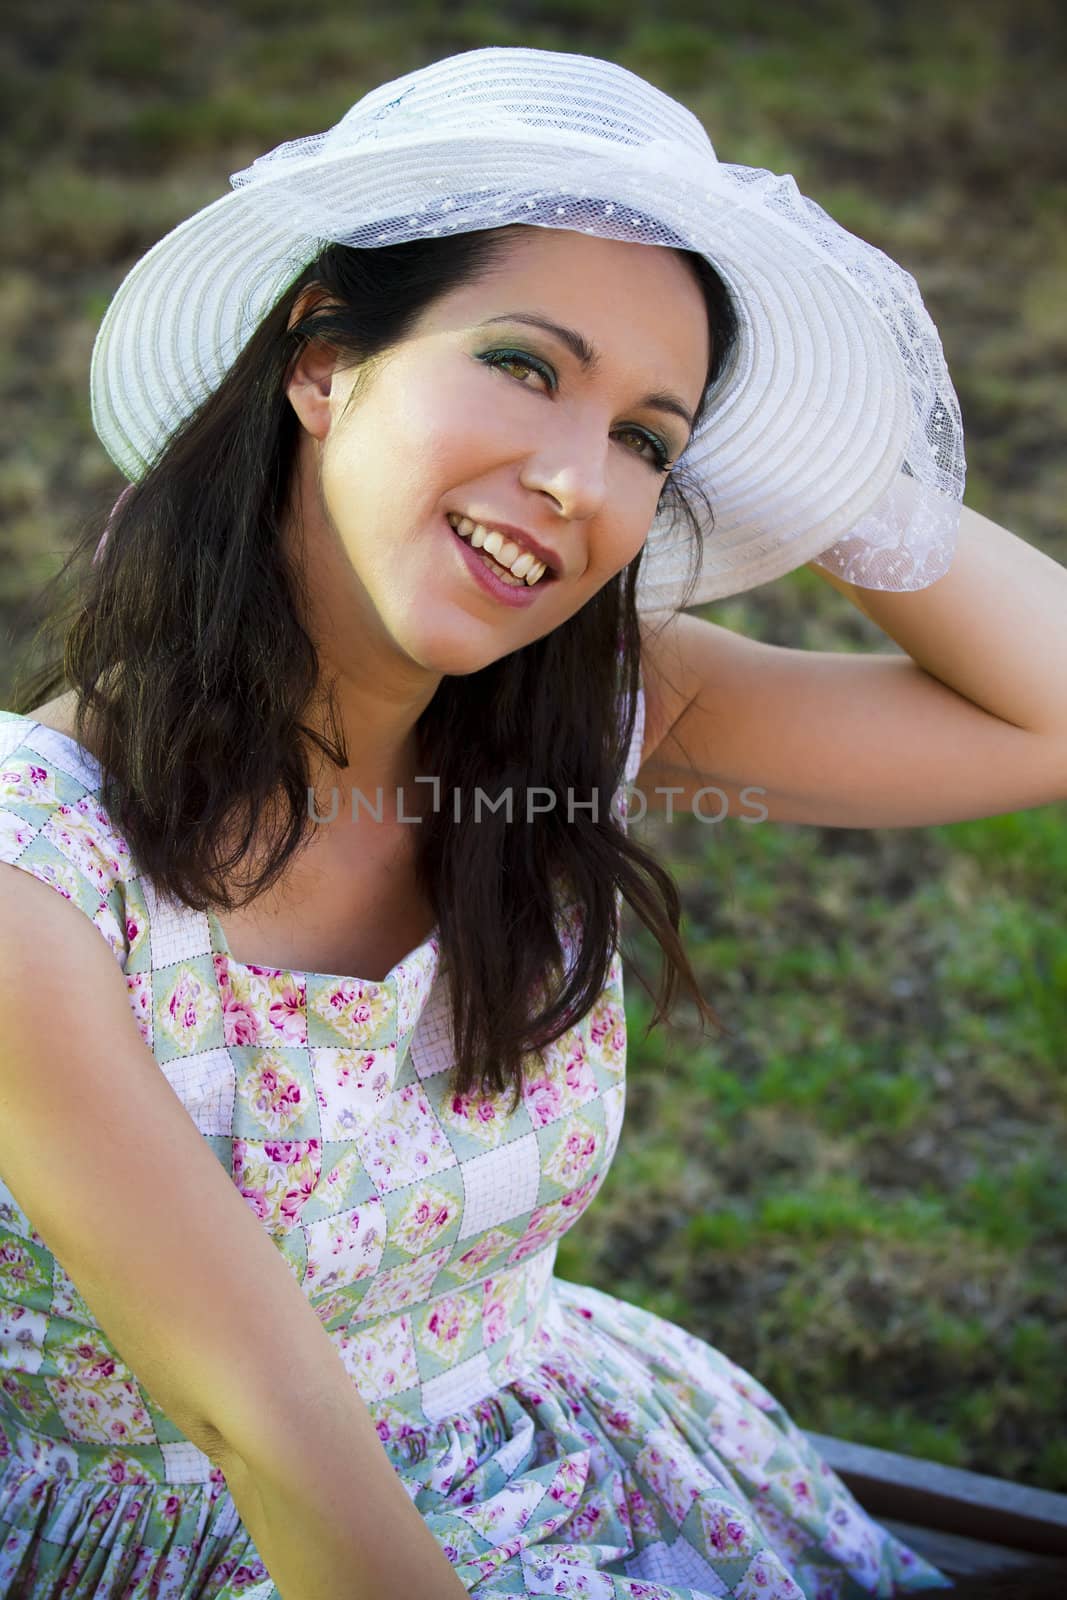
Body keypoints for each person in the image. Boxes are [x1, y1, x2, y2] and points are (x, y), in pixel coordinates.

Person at [2, 44, 1065, 1600]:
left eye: (648, 438)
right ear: (322, 359)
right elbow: (266, 1436)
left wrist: (830, 477)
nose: (577, 480)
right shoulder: (37, 877)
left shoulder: (562, 719)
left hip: (573, 1448)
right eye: (522, 363)